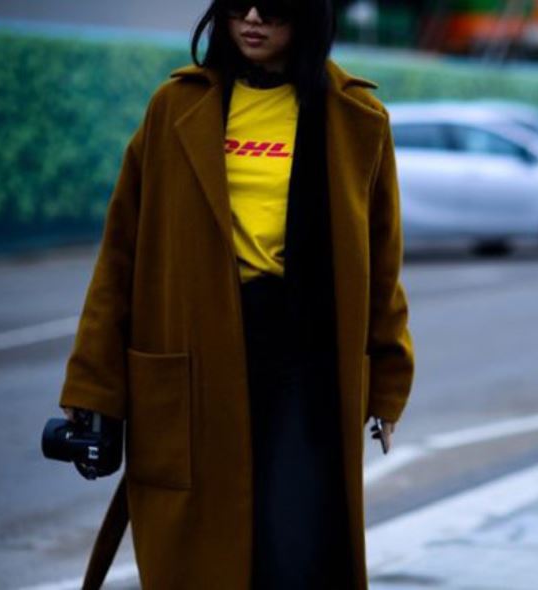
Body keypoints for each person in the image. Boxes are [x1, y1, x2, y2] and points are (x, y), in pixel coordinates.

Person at [58, 0, 415, 588]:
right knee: (200, 550)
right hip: (193, 360)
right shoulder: (175, 107)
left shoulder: (357, 118)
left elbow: (381, 262)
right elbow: (120, 254)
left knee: (294, 549)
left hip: (304, 364)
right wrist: (91, 384)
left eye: (273, 6)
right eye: (237, 3)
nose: (252, 17)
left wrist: (387, 385)